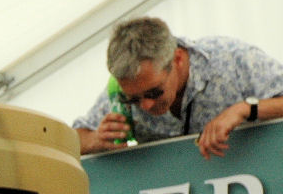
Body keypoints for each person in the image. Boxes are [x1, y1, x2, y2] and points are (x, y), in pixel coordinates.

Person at [73, 17, 283, 158]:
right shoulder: (124, 89)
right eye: (133, 99)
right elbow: (71, 141)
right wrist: (95, 139)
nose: (146, 105)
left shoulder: (231, 59)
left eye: (154, 92)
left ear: (177, 59)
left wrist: (244, 109)